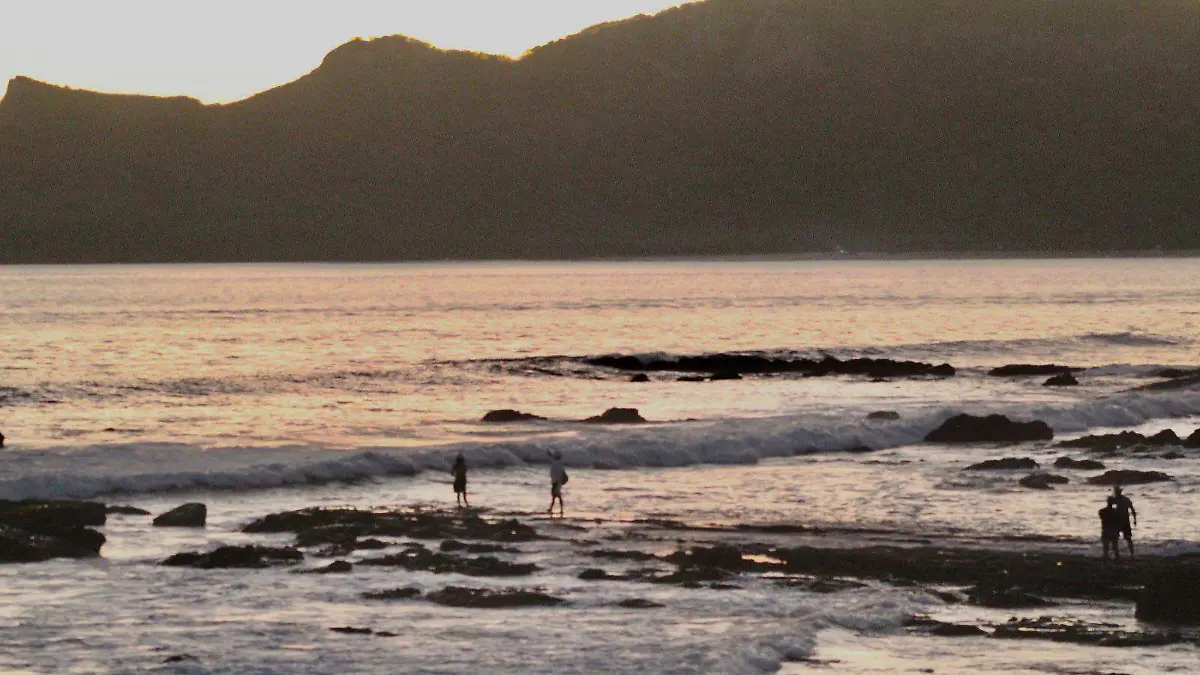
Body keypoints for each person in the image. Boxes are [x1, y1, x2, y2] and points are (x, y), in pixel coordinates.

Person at [1107, 485, 1137, 558]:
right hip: (1122, 521)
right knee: (1126, 538)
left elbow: (1109, 508)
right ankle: (1130, 554)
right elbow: (1133, 510)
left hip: (1120, 521)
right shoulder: (1125, 499)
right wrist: (1135, 520)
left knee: (1119, 538)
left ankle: (1119, 553)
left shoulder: (1116, 500)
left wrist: (1135, 519)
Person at [547, 449, 567, 517]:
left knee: (556, 496)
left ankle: (556, 509)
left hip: (556, 482)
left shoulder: (556, 463)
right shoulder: (559, 462)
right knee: (556, 496)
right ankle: (556, 509)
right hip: (557, 481)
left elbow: (558, 472)